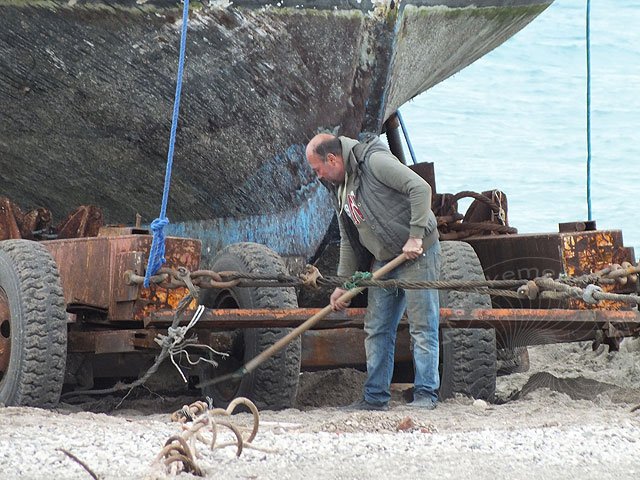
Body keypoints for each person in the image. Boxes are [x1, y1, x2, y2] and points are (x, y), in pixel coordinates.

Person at [305, 132, 441, 411]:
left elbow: (420, 188)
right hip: (384, 261)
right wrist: (343, 285)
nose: (318, 176)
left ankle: (426, 395)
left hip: (417, 253)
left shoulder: (375, 162)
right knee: (377, 328)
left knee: (422, 326)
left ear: (332, 159)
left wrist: (415, 236)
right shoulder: (339, 188)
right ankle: (375, 397)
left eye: (318, 169)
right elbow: (349, 239)